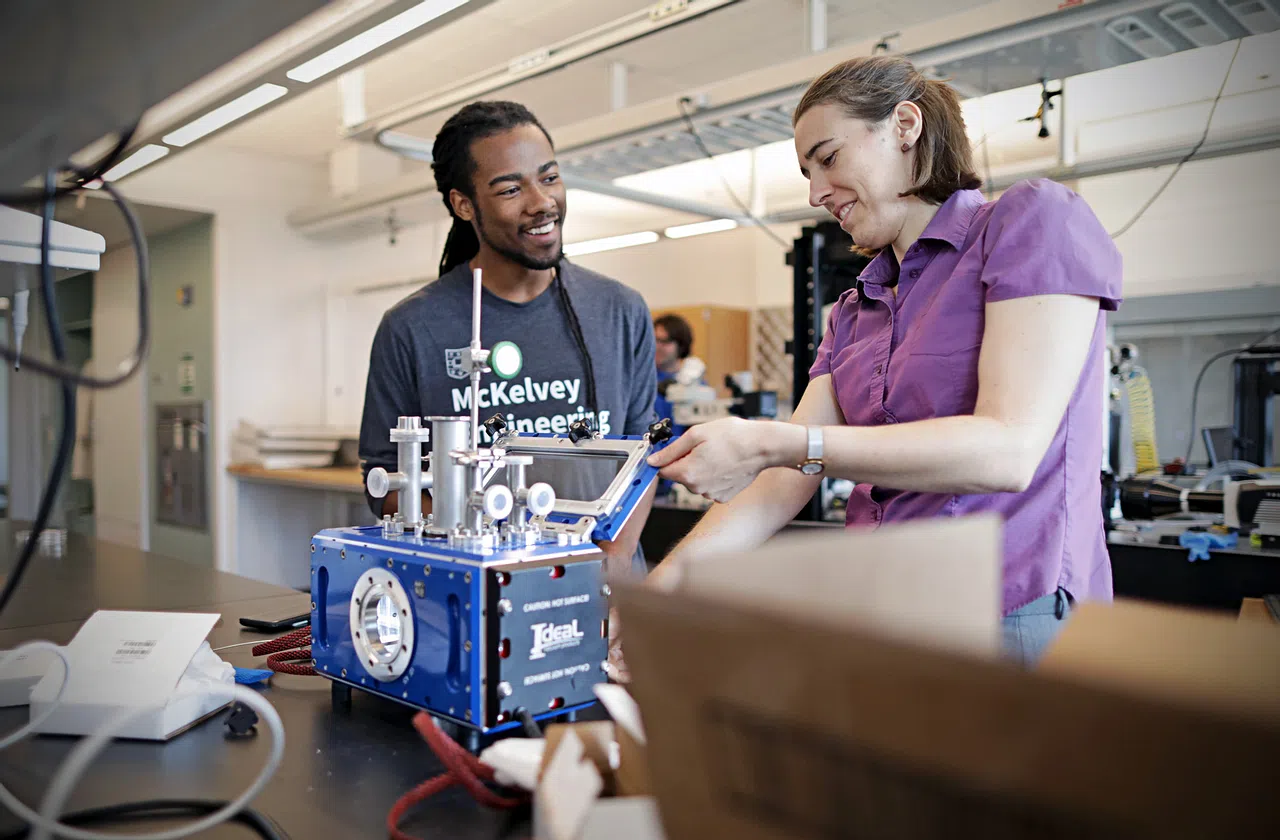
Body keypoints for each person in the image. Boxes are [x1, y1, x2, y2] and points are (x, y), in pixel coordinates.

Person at [645, 55, 1123, 665]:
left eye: (828, 157)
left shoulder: (1029, 223)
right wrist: (664, 588)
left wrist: (774, 442)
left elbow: (1009, 450)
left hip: (1007, 613)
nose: (816, 192)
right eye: (806, 172)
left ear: (904, 125)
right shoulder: (857, 309)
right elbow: (781, 483)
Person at [358, 100, 657, 580]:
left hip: (609, 597)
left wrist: (607, 571)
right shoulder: (413, 327)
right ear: (463, 204)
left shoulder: (619, 310)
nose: (541, 201)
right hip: (479, 592)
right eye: (511, 189)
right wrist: (490, 551)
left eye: (550, 177)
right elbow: (385, 482)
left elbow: (646, 460)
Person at [652, 313, 706, 438]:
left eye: (665, 341)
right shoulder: (643, 382)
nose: (657, 346)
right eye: (655, 340)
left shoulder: (694, 384)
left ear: (681, 345)